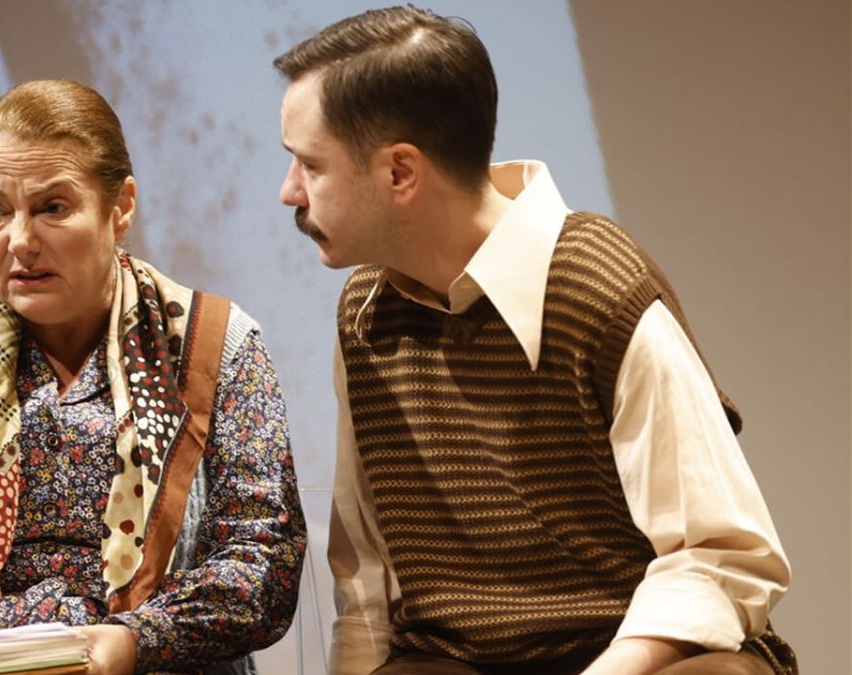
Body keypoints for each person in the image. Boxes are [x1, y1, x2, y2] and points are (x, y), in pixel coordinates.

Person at [273, 7, 795, 675]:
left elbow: (720, 554)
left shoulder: (596, 289)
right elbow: (369, 583)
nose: (289, 192)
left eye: (309, 165)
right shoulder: (367, 313)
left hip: (638, 653)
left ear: (401, 172)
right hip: (458, 660)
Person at [0, 79, 306, 675]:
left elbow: (262, 560)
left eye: (53, 208)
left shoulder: (214, 344)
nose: (20, 242)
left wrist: (130, 643)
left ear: (121, 206)